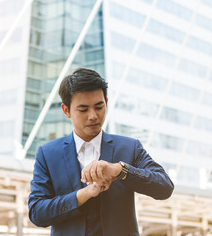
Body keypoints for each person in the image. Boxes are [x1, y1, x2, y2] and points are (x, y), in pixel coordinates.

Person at [28, 68, 174, 236]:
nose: (93, 116)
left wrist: (120, 170)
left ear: (106, 102)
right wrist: (84, 194)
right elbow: (37, 212)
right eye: (83, 110)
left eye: (99, 107)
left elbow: (165, 187)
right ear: (66, 110)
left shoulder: (129, 147)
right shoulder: (47, 154)